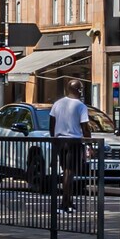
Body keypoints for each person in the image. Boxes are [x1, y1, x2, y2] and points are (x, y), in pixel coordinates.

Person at [50, 80, 91, 208]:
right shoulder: (81, 106)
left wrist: (54, 137)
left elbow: (51, 124)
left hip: (60, 141)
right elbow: (85, 128)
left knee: (65, 171)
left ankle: (67, 200)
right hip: (74, 141)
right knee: (70, 172)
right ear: (79, 90)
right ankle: (65, 201)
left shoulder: (57, 104)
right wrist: (89, 144)